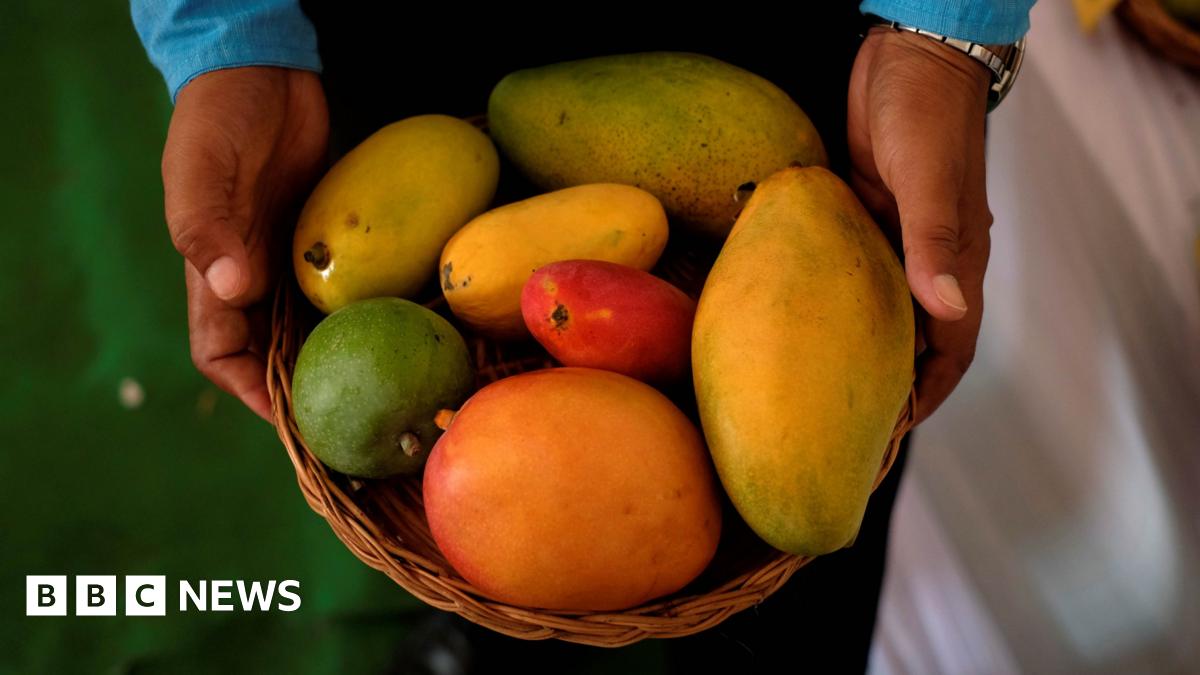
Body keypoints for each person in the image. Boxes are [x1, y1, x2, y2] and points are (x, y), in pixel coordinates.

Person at [132, 2, 1034, 671]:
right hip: (402, 48)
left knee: (800, 516)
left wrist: (944, 34)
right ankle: (499, 633)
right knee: (512, 563)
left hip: (777, 54)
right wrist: (226, 36)